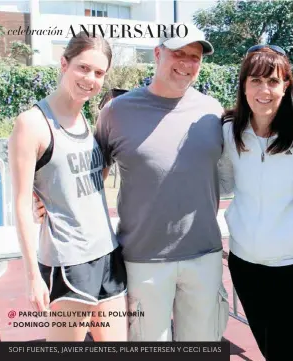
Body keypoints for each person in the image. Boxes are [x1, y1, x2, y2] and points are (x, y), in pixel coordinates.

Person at [36, 24, 229, 341]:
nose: (186, 63)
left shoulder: (212, 112)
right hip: (142, 260)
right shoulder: (116, 112)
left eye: (194, 57)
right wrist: (47, 197)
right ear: (157, 54)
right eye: (177, 53)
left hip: (204, 257)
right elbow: (89, 172)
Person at [8, 32, 128, 342]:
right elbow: (21, 204)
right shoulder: (32, 124)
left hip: (107, 252)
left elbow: (88, 181)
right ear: (64, 64)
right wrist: (32, 275)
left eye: (99, 73)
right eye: (83, 68)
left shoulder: (87, 120)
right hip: (69, 261)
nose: (90, 78)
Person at [218, 45, 293, 360]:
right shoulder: (228, 131)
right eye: (255, 81)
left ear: (287, 85)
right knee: (269, 347)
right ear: (243, 85)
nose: (264, 90)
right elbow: (222, 183)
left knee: (284, 352)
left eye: (273, 81)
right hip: (245, 263)